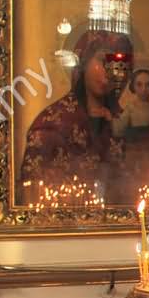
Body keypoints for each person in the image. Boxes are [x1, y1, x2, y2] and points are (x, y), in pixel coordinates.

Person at [20, 30, 133, 205]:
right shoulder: (51, 124)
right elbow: (33, 194)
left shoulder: (125, 122)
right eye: (104, 62)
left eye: (119, 66)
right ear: (84, 62)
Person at [113, 68, 149, 193]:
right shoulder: (130, 109)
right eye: (139, 84)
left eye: (148, 85)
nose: (144, 89)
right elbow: (118, 131)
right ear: (133, 87)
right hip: (133, 158)